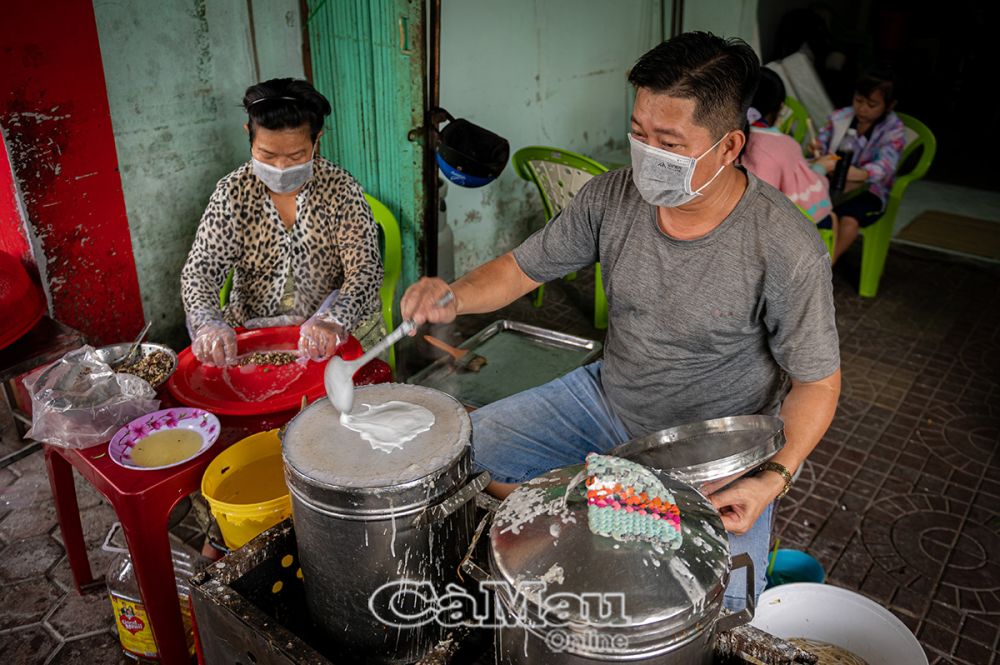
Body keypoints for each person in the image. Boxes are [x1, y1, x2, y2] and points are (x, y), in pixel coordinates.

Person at [402, 32, 841, 610]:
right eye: (639, 133)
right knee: (447, 458)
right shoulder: (612, 197)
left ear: (730, 145)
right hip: (605, 400)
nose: (646, 154)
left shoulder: (783, 246)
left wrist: (772, 479)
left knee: (726, 604)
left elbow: (817, 383)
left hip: (714, 451)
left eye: (669, 141)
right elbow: (520, 268)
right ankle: (593, 501)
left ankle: (599, 503)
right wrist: (451, 297)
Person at [181, 78, 384, 366]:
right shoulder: (232, 193)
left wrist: (335, 319)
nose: (280, 168)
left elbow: (365, 268)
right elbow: (200, 272)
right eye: (267, 155)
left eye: (295, 156)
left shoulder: (341, 188)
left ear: (317, 141)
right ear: (249, 135)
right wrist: (208, 323)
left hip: (331, 331)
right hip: (254, 332)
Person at [811, 67, 905, 264]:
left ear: (889, 105)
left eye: (871, 105)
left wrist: (850, 172)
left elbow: (883, 168)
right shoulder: (840, 117)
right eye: (859, 101)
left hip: (870, 190)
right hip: (833, 183)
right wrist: (817, 147)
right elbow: (822, 142)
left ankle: (827, 267)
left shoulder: (893, 130)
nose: (862, 109)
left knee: (849, 219)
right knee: (813, 208)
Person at [741, 68, 835, 230]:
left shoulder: (722, 134)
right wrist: (820, 168)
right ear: (781, 108)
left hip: (728, 220)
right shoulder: (785, 144)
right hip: (766, 229)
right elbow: (813, 203)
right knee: (831, 219)